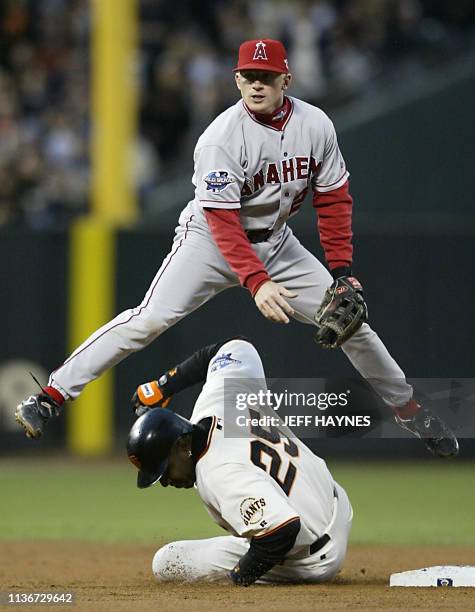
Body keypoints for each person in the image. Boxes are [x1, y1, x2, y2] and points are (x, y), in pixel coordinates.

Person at [15, 39, 457, 457]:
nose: (257, 84)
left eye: (266, 75)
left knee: (351, 324)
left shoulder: (316, 125)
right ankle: (51, 395)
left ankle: (409, 411)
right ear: (237, 81)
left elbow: (334, 198)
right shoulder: (221, 138)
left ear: (287, 80)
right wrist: (257, 281)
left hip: (277, 243)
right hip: (209, 241)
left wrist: (342, 271)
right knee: (148, 319)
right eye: (248, 75)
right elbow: (224, 224)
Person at [127, 337, 353, 585]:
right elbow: (224, 349)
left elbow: (283, 531)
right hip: (336, 503)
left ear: (182, 445)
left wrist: (239, 578)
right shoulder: (216, 399)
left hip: (314, 558)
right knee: (261, 523)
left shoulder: (217, 473)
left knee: (168, 562)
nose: (166, 481)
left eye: (165, 469)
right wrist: (164, 386)